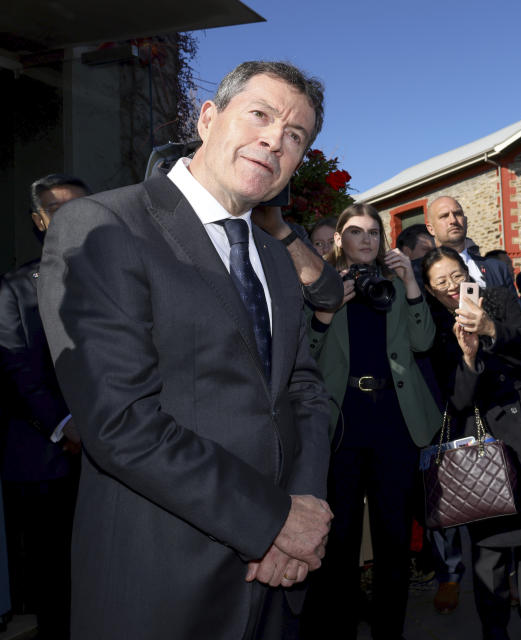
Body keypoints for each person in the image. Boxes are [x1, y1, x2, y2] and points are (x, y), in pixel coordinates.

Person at [37, 61, 335, 640]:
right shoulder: (101, 225)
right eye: (260, 115)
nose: (276, 139)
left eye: (295, 136)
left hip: (276, 580)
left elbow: (304, 393)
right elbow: (120, 420)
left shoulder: (276, 258)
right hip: (163, 581)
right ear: (208, 118)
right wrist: (273, 520)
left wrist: (304, 505)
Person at [301, 203, 440, 639]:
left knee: (394, 538)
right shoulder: (319, 285)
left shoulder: (396, 285)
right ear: (339, 238)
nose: (366, 240)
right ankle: (339, 629)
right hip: (342, 424)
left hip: (393, 422)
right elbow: (304, 356)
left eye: (374, 233)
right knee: (340, 540)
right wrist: (325, 313)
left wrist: (411, 281)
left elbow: (423, 341)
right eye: (356, 232)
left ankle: (388, 632)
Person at [422, 246, 521, 640]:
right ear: (431, 292)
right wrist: (468, 359)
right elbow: (457, 399)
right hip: (481, 444)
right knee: (489, 549)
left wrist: (489, 330)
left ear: (466, 272)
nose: (451, 287)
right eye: (440, 283)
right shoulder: (434, 327)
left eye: (454, 276)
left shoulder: (499, 299)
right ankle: (494, 630)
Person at [0, 173, 88, 639]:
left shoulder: (125, 281)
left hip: (114, 456)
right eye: (60, 210)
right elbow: (18, 371)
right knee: (56, 582)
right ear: (39, 220)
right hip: (44, 458)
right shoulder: (13, 289)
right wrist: (66, 424)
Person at [424, 196, 513, 288]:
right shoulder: (419, 272)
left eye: (458, 214)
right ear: (431, 229)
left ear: (465, 221)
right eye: (444, 216)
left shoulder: (497, 268)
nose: (453, 220)